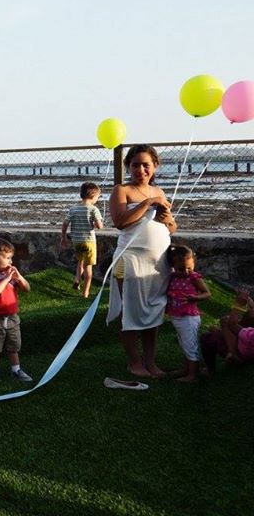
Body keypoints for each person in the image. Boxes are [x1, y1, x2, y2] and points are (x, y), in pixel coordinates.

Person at [107, 144, 177, 379]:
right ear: (128, 166)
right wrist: (147, 204)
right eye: (135, 165)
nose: (140, 169)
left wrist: (168, 219)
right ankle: (134, 362)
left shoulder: (159, 191)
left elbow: (172, 226)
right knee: (131, 312)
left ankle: (151, 362)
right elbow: (120, 222)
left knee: (153, 312)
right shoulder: (122, 190)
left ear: (155, 165)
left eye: (145, 164)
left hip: (158, 262)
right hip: (131, 259)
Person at [0, 237, 33, 382]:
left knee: (14, 345)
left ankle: (16, 369)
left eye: (11, 258)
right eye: (8, 258)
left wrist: (19, 277)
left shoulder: (10, 276)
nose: (11, 262)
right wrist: (7, 278)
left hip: (12, 318)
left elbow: (27, 288)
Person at [164, 244, 210, 382]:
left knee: (190, 345)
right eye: (181, 268)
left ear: (194, 264)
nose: (186, 272)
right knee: (184, 344)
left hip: (189, 317)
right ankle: (187, 368)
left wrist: (195, 298)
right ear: (173, 266)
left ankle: (193, 375)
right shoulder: (173, 277)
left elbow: (207, 293)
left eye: (189, 268)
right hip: (177, 315)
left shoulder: (193, 277)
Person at [60, 182, 104, 298]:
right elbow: (100, 226)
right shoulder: (94, 209)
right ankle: (85, 292)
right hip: (89, 242)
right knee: (88, 267)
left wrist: (63, 238)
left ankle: (77, 279)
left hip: (77, 241)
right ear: (93, 196)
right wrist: (94, 224)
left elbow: (65, 224)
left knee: (80, 261)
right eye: (98, 197)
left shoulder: (73, 209)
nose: (97, 199)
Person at [200, 291, 254, 373]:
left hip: (242, 351)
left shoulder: (251, 335)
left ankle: (229, 355)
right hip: (248, 347)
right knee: (221, 324)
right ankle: (220, 333)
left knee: (207, 337)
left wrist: (238, 305)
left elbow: (232, 324)